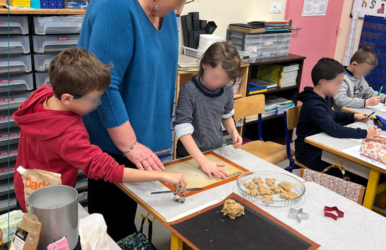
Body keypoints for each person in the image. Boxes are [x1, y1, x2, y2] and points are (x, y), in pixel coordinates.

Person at [13, 48, 187, 212]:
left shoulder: (42, 95)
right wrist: (161, 176)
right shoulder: (69, 135)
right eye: (94, 99)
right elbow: (110, 170)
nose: (99, 104)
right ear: (67, 98)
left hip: (24, 186)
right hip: (48, 204)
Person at [78, 0, 185, 240]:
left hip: (141, 141)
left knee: (126, 218)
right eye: (179, 0)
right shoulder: (114, 7)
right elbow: (102, 86)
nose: (181, 9)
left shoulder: (164, 13)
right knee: (109, 227)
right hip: (113, 144)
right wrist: (131, 145)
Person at [295, 58, 381, 177]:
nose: (340, 87)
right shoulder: (314, 104)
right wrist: (365, 133)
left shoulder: (322, 97)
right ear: (323, 82)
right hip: (309, 152)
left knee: (359, 171)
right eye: (338, 82)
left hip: (322, 146)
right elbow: (334, 129)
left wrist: (354, 116)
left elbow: (332, 115)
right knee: (355, 175)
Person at [173, 42, 243, 179]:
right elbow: (182, 130)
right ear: (204, 64)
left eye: (224, 80)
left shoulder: (226, 90)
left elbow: (226, 115)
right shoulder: (189, 91)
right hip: (190, 156)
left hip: (215, 151)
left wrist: (233, 132)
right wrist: (203, 162)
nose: (218, 83)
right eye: (215, 77)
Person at [334, 47, 386, 111]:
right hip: (345, 117)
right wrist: (366, 102)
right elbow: (340, 100)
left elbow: (369, 93)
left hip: (359, 114)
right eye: (365, 70)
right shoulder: (341, 78)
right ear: (354, 64)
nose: (366, 74)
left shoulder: (360, 77)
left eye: (369, 71)